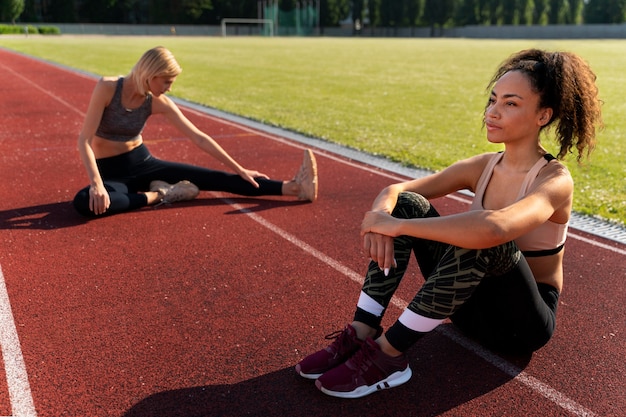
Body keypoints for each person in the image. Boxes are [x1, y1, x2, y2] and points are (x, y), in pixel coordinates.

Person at [295, 49, 602, 399]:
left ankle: (388, 356)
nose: (492, 112)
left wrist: (399, 228)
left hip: (520, 326)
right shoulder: (484, 166)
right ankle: (362, 330)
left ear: (543, 115)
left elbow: (495, 230)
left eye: (511, 103)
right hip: (465, 309)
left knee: (485, 238)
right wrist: (382, 220)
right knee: (408, 206)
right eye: (492, 99)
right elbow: (397, 190)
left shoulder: (554, 180)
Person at [73, 46, 317, 218]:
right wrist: (97, 184)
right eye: (167, 82)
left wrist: (239, 169)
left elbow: (199, 137)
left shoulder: (157, 102)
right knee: (86, 202)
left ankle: (293, 187)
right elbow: (84, 139)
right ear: (150, 74)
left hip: (142, 162)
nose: (169, 88)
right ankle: (159, 194)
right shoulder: (108, 88)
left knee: (214, 178)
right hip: (110, 173)